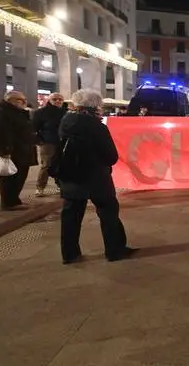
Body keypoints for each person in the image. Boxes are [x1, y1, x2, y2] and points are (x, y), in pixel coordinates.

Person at [55, 89, 134, 264]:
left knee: (71, 216)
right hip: (96, 177)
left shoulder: (66, 122)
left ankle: (70, 254)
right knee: (108, 213)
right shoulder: (97, 126)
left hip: (70, 176)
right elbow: (111, 156)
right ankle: (114, 250)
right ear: (95, 105)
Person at [0, 90, 37, 210]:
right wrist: (5, 151)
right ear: (10, 100)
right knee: (9, 178)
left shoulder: (18, 112)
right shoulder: (0, 112)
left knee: (19, 177)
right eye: (21, 100)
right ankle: (8, 203)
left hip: (22, 151)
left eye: (25, 100)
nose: (24, 102)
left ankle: (14, 200)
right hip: (11, 153)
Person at [31, 92, 66, 196]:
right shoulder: (40, 112)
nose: (58, 101)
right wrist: (39, 141)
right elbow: (33, 128)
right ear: (49, 100)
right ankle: (40, 187)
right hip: (47, 143)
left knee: (61, 164)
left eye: (60, 99)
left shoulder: (66, 112)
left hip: (63, 142)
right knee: (46, 165)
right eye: (55, 99)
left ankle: (60, 186)